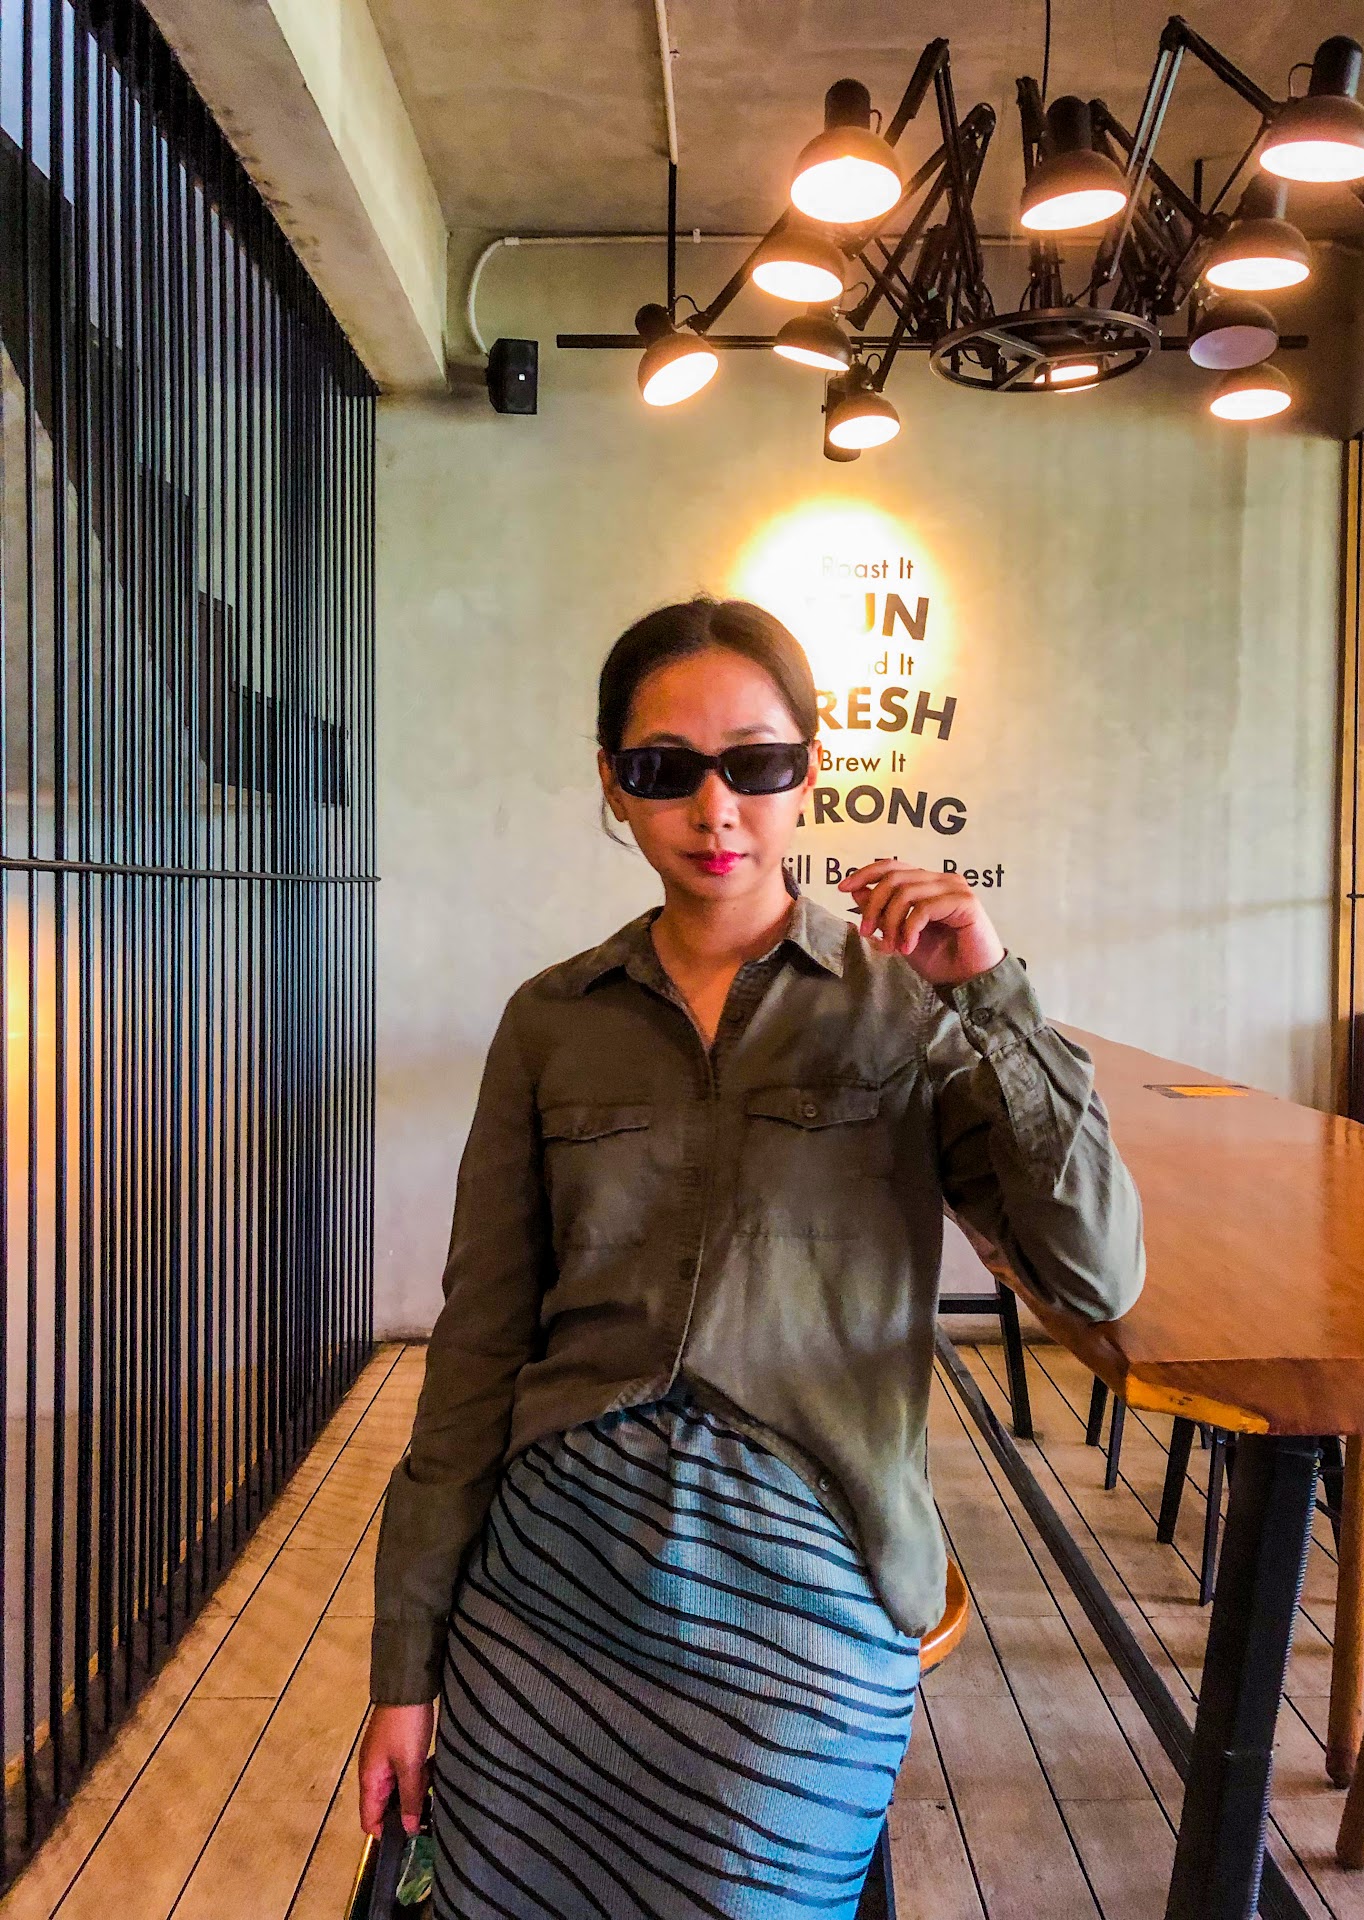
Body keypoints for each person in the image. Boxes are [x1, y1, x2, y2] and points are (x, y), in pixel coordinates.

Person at [358, 595, 1145, 1919]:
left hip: (815, 1566)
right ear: (612, 781)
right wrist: (405, 1666)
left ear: (809, 771)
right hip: (553, 1567)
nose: (716, 809)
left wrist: (994, 997)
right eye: (665, 768)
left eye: (758, 764)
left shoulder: (908, 1007)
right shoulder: (551, 1023)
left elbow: (1097, 1274)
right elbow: (479, 1347)